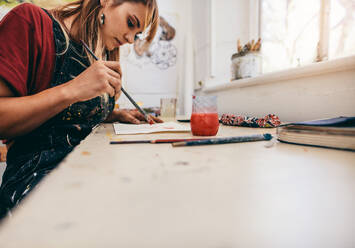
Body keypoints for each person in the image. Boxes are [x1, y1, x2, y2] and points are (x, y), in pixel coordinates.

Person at [0, 0, 162, 218]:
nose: (130, 39)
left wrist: (113, 114)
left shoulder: (103, 50)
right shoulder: (29, 21)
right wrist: (73, 89)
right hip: (34, 188)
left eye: (138, 34)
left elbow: (66, 118)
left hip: (87, 174)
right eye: (130, 23)